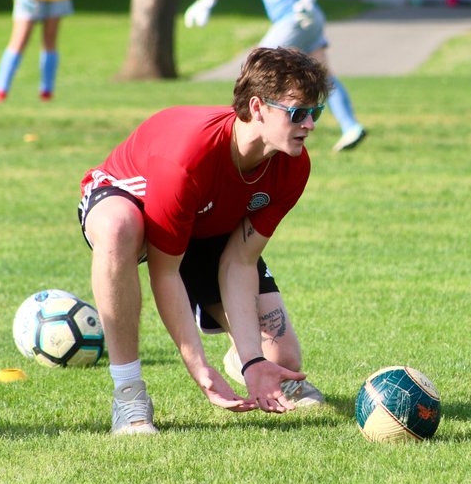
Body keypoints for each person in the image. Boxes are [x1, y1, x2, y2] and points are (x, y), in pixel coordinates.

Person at [77, 46, 331, 435]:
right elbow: (166, 274)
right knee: (118, 229)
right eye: (298, 113)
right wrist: (199, 366)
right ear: (258, 107)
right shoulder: (189, 158)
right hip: (131, 202)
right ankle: (129, 396)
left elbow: (240, 262)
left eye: (316, 112)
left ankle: (242, 357)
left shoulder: (293, 165)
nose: (310, 124)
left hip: (206, 224)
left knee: (283, 358)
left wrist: (253, 361)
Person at [183, 0, 367, 152]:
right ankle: (351, 127)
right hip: (298, 22)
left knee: (259, 60)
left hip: (299, 19)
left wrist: (306, 1)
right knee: (323, 76)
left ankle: (238, 124)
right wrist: (206, 2)